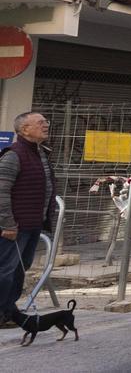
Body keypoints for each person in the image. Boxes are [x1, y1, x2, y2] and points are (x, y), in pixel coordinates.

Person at [0, 112, 57, 323]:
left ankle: (8, 311)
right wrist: (7, 224)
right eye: (40, 122)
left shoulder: (39, 153)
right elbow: (1, 191)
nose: (46, 125)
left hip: (32, 225)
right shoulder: (13, 154)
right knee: (5, 270)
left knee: (18, 270)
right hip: (13, 227)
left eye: (46, 122)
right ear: (24, 129)